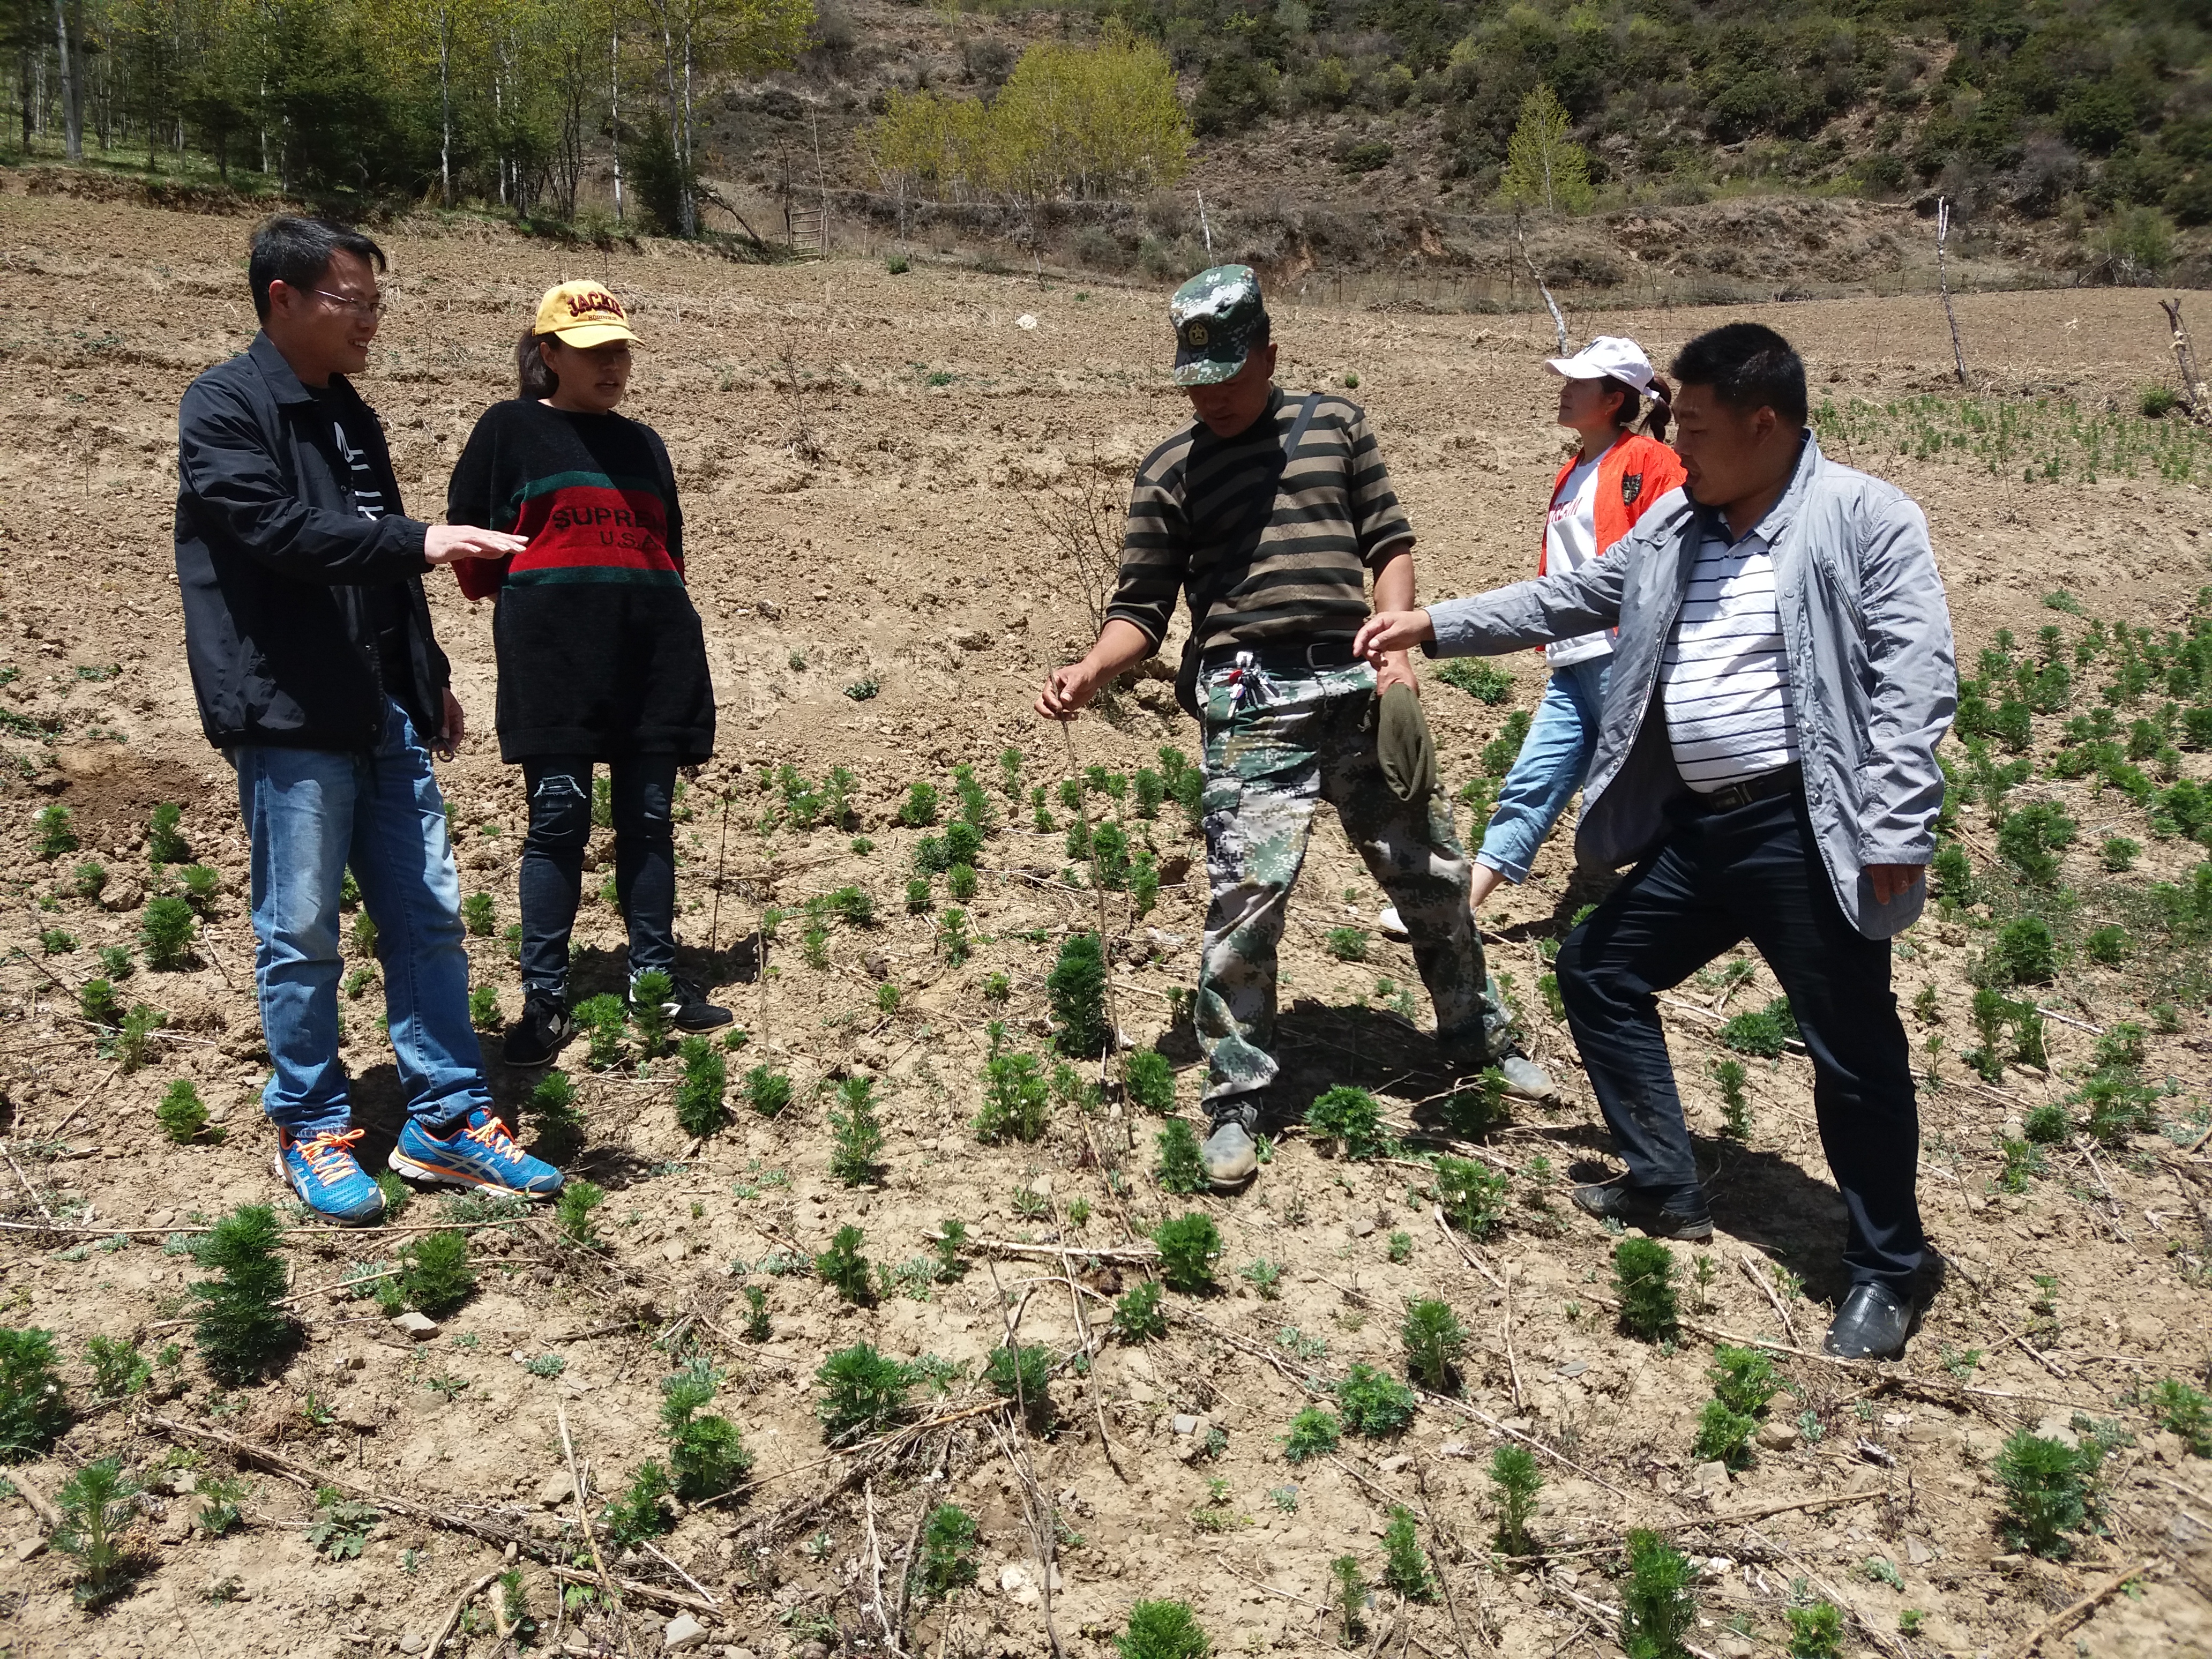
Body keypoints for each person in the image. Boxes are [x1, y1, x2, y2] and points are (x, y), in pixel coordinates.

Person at [1355, 322, 1954, 1360]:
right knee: (1598, 965)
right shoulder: (1682, 521)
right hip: (1705, 827)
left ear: (1764, 426)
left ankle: (1889, 1270)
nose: (1679, 450)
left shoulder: (1863, 517)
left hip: (1809, 826)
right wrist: (1435, 626)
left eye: (1698, 429)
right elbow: (1570, 596)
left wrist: (1898, 823)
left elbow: (1916, 677)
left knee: (1852, 1054)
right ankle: (1665, 1184)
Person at [1037, 264, 1555, 1193]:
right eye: (1198, 384)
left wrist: (1396, 641)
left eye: (1232, 380)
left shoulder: (1336, 427)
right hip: (1248, 697)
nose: (1216, 399)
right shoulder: (1169, 471)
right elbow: (1142, 608)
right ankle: (1236, 1092)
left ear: (1270, 354)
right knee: (1247, 900)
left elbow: (1386, 542)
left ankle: (1477, 1040)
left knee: (1431, 872)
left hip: (1356, 683)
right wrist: (1093, 666)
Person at [175, 215, 564, 1225]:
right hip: (287, 708)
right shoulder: (224, 408)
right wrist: (425, 538)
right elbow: (282, 532)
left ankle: (447, 1120)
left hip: (377, 708)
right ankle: (309, 1123)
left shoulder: (351, 415)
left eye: (376, 304)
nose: (372, 324)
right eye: (356, 303)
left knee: (427, 918)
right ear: (283, 299)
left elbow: (388, 564)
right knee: (299, 931)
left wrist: (423, 668)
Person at [446, 281, 727, 1068]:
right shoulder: (509, 429)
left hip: (652, 651)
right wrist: (547, 604)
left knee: (647, 820)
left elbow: (666, 549)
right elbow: (472, 539)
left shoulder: (644, 444)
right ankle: (545, 999)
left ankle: (655, 980)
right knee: (559, 819)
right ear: (548, 356)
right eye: (594, 351)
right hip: (555, 659)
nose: (613, 365)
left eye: (621, 351)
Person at [1383, 337, 1684, 938]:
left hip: (1626, 659)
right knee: (1534, 778)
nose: (1564, 390)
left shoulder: (1652, 464)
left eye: (1579, 383)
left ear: (1614, 399)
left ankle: (1689, 906)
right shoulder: (1571, 473)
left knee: (1653, 796)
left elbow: (1673, 556)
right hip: (1575, 658)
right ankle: (1464, 901)